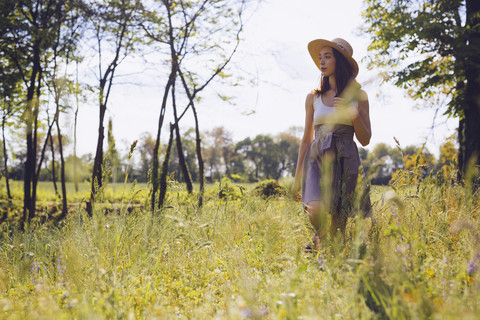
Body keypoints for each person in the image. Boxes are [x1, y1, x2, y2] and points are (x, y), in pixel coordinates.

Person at [292, 38, 372, 251]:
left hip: (345, 159)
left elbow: (365, 139)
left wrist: (353, 114)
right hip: (317, 159)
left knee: (338, 231)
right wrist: (297, 178)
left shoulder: (359, 97)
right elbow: (306, 138)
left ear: (341, 62)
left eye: (328, 56)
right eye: (320, 57)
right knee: (315, 209)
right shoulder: (313, 97)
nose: (322, 62)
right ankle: (320, 239)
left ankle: (322, 254)